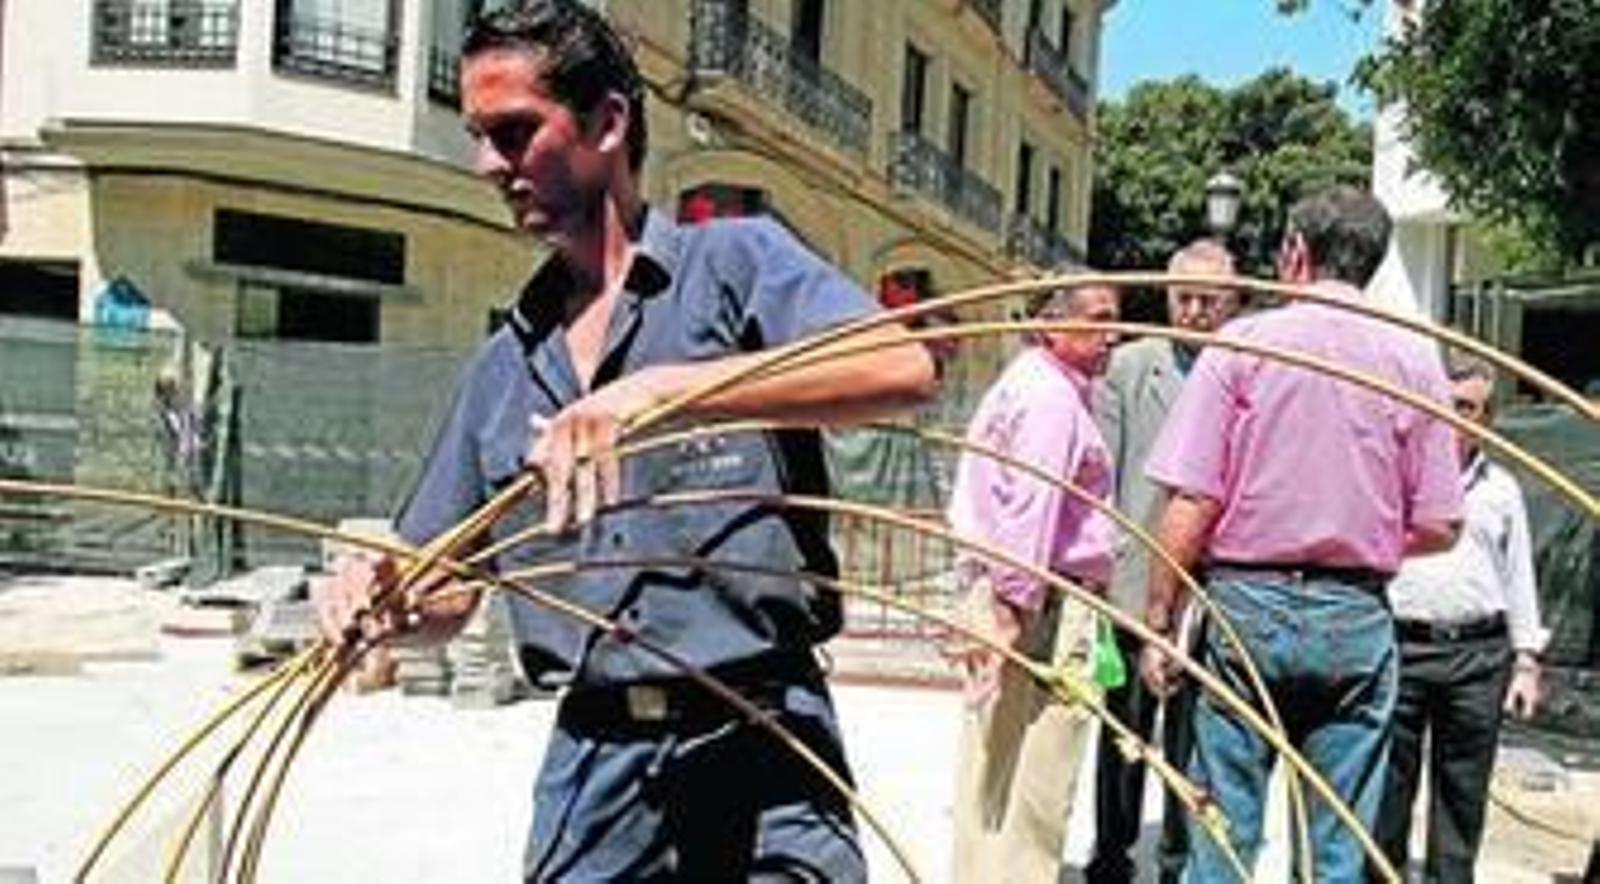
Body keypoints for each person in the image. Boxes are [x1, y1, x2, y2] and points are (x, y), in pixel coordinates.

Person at [312, 2, 936, 880]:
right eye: (479, 136)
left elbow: (902, 366)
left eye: (515, 131)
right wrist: (388, 598)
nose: (490, 163)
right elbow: (447, 587)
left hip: (762, 735)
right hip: (598, 761)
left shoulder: (736, 267)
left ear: (608, 121)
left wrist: (676, 393)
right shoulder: (502, 369)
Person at [1138, 186, 1464, 882]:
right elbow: (1441, 525)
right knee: (1337, 847)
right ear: (1372, 264)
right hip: (1356, 617)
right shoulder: (1417, 360)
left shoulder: (1244, 345)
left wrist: (1160, 618)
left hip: (1248, 606)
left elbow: (1192, 500)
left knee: (1223, 833)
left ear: (1293, 254)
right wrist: (1358, 532)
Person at [943, 282, 1120, 883]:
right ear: (1051, 323)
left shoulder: (1033, 384)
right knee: (1034, 780)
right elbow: (1031, 507)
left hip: (1015, 592)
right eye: (1097, 320)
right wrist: (1015, 614)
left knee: (995, 774)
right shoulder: (1050, 399)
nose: (1111, 335)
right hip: (1038, 599)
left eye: (1114, 320)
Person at [1087, 239, 1239, 884]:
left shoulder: (1250, 367)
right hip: (1133, 577)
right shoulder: (1127, 367)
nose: (1197, 310)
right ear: (1167, 296)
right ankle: (1112, 853)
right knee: (1123, 731)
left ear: (1234, 301)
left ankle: (1178, 858)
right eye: (1186, 297)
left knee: (1197, 738)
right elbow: (1105, 479)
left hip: (1218, 583)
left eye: (1211, 299)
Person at [1374, 354, 1547, 882]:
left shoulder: (1503, 490)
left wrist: (1526, 661)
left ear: (1487, 419)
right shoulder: (1393, 479)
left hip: (1478, 657)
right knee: (1389, 789)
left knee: (1462, 792)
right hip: (1402, 647)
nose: (1456, 419)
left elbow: (1519, 577)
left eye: (1469, 408)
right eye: (1446, 405)